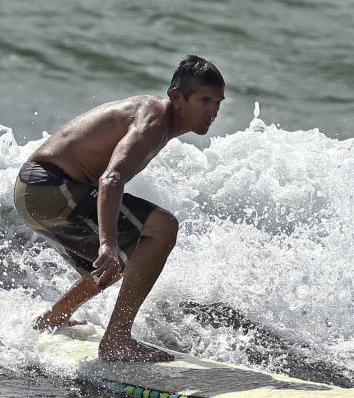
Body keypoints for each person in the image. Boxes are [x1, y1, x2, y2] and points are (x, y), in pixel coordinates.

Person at [14, 55, 225, 362]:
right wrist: (106, 243)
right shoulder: (153, 121)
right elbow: (111, 179)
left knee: (124, 257)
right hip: (49, 187)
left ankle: (54, 317)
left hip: (35, 191)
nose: (214, 111)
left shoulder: (157, 119)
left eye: (218, 102)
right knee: (161, 229)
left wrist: (111, 248)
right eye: (205, 100)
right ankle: (116, 340)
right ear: (176, 97)